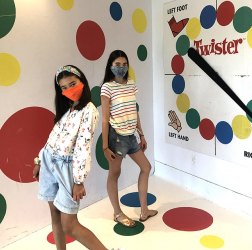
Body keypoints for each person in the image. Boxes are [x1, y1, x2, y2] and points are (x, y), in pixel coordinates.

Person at [32, 65, 110, 250]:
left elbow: (83, 147)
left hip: (67, 168)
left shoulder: (89, 110)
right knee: (54, 213)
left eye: (72, 84)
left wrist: (79, 180)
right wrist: (39, 160)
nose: (68, 90)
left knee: (70, 225)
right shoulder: (68, 108)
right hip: (49, 162)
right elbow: (53, 136)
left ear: (82, 81)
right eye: (64, 87)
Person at [100, 50, 158, 227]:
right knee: (114, 174)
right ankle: (117, 213)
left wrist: (141, 133)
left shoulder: (131, 84)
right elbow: (104, 118)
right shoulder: (107, 87)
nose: (121, 68)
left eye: (124, 64)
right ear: (111, 66)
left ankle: (144, 210)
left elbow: (134, 110)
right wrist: (104, 146)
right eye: (117, 65)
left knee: (146, 167)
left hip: (131, 136)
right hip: (116, 137)